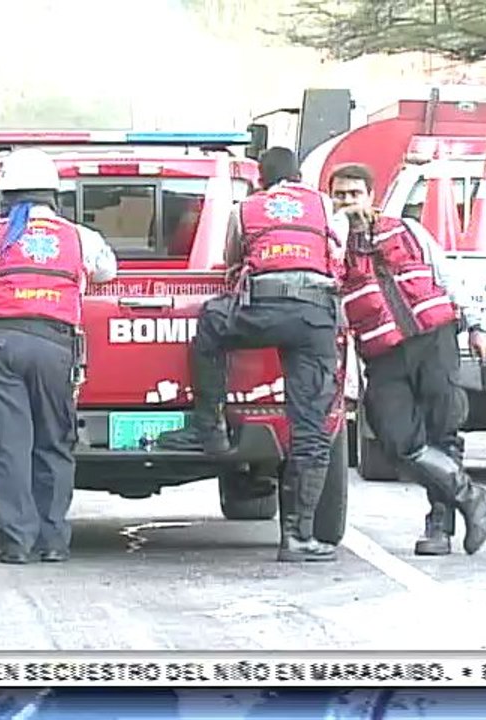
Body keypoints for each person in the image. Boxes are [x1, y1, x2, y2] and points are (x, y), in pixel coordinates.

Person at [156, 147, 348, 563]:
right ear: (299, 177)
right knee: (311, 427)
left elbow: (231, 261)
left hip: (262, 309)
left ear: (262, 178)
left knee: (211, 324)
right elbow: (338, 256)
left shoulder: (247, 209)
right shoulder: (323, 205)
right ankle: (297, 538)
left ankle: (211, 428)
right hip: (314, 316)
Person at [329, 163, 486, 556]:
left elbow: (446, 275)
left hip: (434, 339)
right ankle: (475, 497)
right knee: (396, 437)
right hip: (384, 354)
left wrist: (477, 325)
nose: (347, 202)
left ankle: (439, 529)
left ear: (370, 196)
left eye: (354, 194)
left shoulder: (406, 230)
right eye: (339, 195)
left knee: (443, 431)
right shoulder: (332, 248)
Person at [0, 148, 118, 564]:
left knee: (6, 445)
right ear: (55, 195)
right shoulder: (80, 237)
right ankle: (54, 543)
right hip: (56, 347)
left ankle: (17, 543)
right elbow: (107, 272)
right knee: (53, 443)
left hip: (0, 345)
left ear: (6, 196)